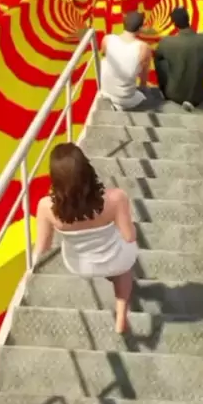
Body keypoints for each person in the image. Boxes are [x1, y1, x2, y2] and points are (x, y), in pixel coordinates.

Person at [34, 143, 138, 334]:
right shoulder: (116, 198)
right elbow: (130, 237)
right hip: (115, 258)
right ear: (86, 170)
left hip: (80, 264)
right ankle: (121, 314)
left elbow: (43, 247)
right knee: (124, 270)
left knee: (113, 263)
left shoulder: (45, 207)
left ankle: (109, 276)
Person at [153, 7, 203, 110]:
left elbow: (158, 63)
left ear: (174, 24)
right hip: (199, 94)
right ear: (188, 19)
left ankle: (165, 90)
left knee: (160, 60)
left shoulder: (166, 43)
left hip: (173, 95)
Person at [99, 11, 152, 110]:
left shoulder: (107, 39)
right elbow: (144, 77)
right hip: (126, 97)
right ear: (140, 29)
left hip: (106, 90)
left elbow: (103, 53)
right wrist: (143, 88)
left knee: (104, 60)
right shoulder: (144, 48)